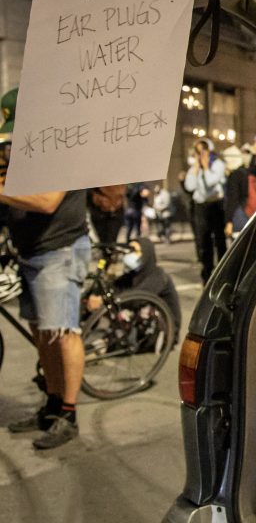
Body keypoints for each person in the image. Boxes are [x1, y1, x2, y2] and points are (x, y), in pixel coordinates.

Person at [0, 89, 90, 449]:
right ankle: (52, 405)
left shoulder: (63, 148)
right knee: (43, 336)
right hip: (31, 252)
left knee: (63, 333)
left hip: (60, 250)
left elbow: (47, 200)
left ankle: (68, 415)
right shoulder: (25, 153)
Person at [85, 237, 181, 338]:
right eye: (129, 251)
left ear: (146, 254)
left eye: (135, 251)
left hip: (164, 330)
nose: (130, 255)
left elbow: (136, 299)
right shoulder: (133, 275)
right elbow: (115, 286)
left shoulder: (159, 276)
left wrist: (104, 300)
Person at [184, 137, 227, 283]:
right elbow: (189, 186)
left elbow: (210, 182)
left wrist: (206, 167)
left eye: (204, 151)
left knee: (219, 240)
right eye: (198, 151)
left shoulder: (218, 164)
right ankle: (207, 274)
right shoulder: (195, 168)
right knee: (204, 241)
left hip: (215, 205)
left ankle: (223, 272)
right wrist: (196, 169)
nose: (201, 154)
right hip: (200, 207)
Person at [223, 143, 256, 239]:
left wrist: (229, 222)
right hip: (248, 213)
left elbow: (233, 199)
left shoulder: (234, 176)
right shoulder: (245, 172)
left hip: (238, 216)